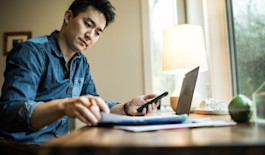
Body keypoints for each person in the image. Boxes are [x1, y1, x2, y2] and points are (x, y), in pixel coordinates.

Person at [0, 0, 159, 145]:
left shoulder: (81, 62)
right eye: (88, 24)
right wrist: (64, 106)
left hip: (60, 146)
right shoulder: (31, 52)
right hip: (23, 148)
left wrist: (127, 107)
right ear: (68, 17)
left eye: (98, 32)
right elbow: (10, 113)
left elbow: (96, 103)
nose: (90, 36)